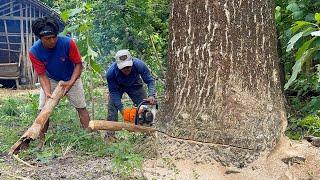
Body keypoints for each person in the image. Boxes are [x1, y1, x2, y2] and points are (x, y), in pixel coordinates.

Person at [29, 16, 90, 148]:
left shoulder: (68, 43)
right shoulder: (34, 51)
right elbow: (42, 75)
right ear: (40, 38)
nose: (52, 41)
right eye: (47, 39)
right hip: (51, 79)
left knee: (81, 107)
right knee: (43, 109)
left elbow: (78, 65)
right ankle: (41, 141)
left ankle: (89, 136)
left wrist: (70, 82)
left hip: (71, 76)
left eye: (54, 37)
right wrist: (47, 92)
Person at [105, 49, 157, 139]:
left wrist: (151, 95)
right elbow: (113, 92)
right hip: (118, 88)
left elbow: (150, 80)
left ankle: (148, 132)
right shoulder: (111, 73)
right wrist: (122, 110)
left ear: (132, 62)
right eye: (123, 68)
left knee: (145, 106)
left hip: (134, 85)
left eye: (128, 66)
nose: (126, 69)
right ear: (118, 66)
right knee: (112, 107)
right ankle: (110, 135)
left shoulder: (139, 65)